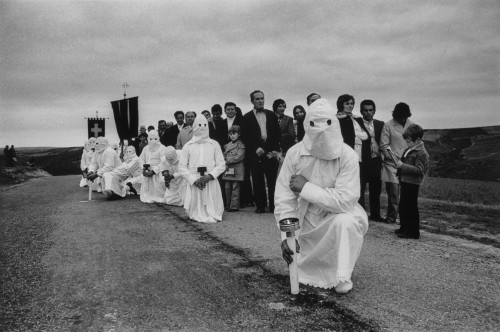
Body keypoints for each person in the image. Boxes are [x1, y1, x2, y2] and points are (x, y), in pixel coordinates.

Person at [275, 98, 368, 294]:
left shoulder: (347, 155)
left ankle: (342, 275)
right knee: (301, 265)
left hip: (335, 216)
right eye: (313, 124)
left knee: (346, 222)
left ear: (333, 123)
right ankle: (308, 268)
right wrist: (287, 235)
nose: (321, 130)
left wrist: (306, 188)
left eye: (326, 123)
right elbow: (284, 197)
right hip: (306, 220)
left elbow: (345, 200)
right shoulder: (294, 153)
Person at [178, 115, 226, 223]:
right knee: (195, 210)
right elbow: (181, 167)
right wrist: (193, 180)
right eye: (199, 125)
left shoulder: (214, 144)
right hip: (195, 181)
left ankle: (213, 212)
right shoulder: (188, 146)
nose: (202, 128)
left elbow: (221, 164)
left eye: (205, 125)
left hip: (210, 181)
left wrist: (210, 176)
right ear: (194, 126)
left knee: (212, 210)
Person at [240, 90, 281, 213]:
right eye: (257, 99)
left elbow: (276, 134)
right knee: (257, 180)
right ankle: (260, 205)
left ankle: (274, 206)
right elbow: (245, 137)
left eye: (262, 98)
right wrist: (255, 148)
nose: (260, 101)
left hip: (270, 152)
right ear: (252, 101)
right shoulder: (246, 117)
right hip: (255, 153)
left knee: (272, 180)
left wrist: (270, 149)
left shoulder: (272, 115)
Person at [380, 102, 415, 224]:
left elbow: (416, 144)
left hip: (408, 164)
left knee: (406, 193)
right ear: (396, 115)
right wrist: (395, 159)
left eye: (405, 116)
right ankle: (391, 217)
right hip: (392, 164)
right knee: (394, 193)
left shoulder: (413, 126)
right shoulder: (388, 125)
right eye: (400, 116)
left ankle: (405, 218)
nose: (403, 119)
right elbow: (384, 145)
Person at [394, 124, 429, 239]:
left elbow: (420, 170)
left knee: (411, 207)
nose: (407, 143)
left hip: (413, 183)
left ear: (418, 139)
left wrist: (402, 166)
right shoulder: (411, 148)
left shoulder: (422, 153)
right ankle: (404, 228)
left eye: (409, 141)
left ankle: (413, 232)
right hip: (405, 181)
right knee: (403, 205)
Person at [358, 100, 385, 221]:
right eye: (365, 110)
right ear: (361, 111)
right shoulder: (357, 123)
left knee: (376, 188)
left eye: (370, 110)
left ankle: (375, 214)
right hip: (362, 160)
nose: (368, 113)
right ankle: (361, 214)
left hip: (376, 160)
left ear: (374, 111)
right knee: (360, 188)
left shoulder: (380, 124)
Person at [336, 94, 370, 162]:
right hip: (346, 154)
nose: (350, 106)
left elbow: (367, 136)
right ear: (341, 104)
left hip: (361, 153)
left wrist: (355, 134)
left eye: (352, 103)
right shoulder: (337, 119)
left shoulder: (358, 119)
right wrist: (358, 134)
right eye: (347, 103)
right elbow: (344, 137)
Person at [139, 130, 168, 203]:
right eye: (151, 139)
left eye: (155, 139)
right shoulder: (146, 148)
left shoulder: (162, 148)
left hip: (158, 172)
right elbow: (141, 159)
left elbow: (163, 162)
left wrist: (154, 171)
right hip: (147, 170)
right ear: (148, 139)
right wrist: (143, 168)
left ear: (158, 138)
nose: (153, 141)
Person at [222, 125, 245, 212]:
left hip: (237, 168)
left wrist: (226, 160)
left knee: (235, 187)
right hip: (228, 169)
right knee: (227, 187)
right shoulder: (227, 145)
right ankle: (227, 205)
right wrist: (223, 158)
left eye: (234, 133)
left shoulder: (241, 145)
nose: (232, 135)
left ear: (239, 134)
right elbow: (223, 154)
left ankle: (234, 206)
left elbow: (238, 157)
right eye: (230, 134)